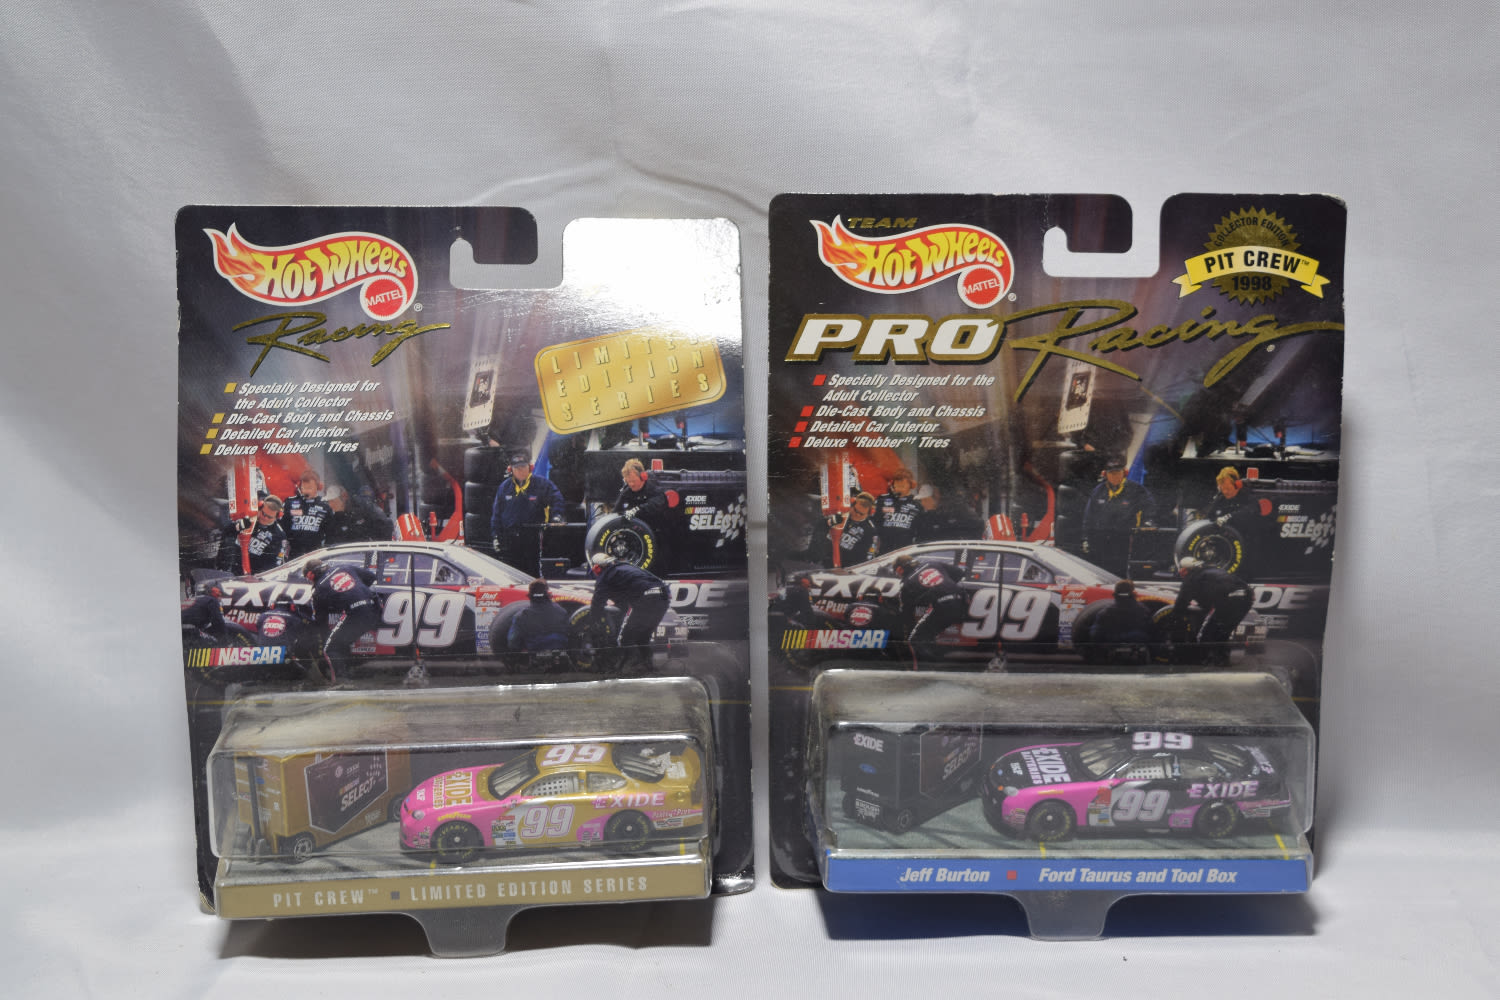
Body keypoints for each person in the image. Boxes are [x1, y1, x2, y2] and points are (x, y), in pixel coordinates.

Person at [304, 557, 383, 683]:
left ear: (311, 575)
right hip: (375, 608)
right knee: (342, 641)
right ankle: (348, 672)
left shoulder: (318, 590)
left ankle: (342, 681)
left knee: (330, 648)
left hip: (357, 614)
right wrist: (358, 592)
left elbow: (321, 622)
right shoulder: (344, 567)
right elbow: (371, 577)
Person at [588, 552, 670, 673]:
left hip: (647, 599)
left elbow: (597, 604)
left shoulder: (605, 575)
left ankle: (630, 668)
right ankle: (648, 668)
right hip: (663, 598)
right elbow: (624, 602)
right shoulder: (626, 567)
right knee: (643, 637)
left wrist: (593, 623)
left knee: (626, 638)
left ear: (597, 568)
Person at [490, 449, 566, 576]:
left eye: (523, 467)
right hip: (510, 538)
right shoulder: (504, 487)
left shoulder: (542, 484)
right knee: (511, 573)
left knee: (532, 572)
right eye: (517, 468)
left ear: (530, 468)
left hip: (532, 537)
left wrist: (557, 515)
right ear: (510, 469)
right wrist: (495, 536)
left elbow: (557, 498)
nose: (520, 470)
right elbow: (496, 514)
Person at [1172, 556, 1254, 665]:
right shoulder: (1211, 570)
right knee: (1222, 631)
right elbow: (1208, 599)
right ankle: (1220, 659)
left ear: (1184, 570)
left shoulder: (1191, 578)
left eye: (1180, 569)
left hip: (1232, 600)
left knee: (1209, 632)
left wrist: (1174, 620)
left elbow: (1180, 604)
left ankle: (1204, 660)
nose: (1180, 572)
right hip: (1246, 598)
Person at [893, 553, 969, 668]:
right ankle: (938, 660)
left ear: (899, 569)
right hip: (962, 601)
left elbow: (907, 614)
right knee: (928, 635)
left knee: (916, 639)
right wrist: (946, 585)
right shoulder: (932, 563)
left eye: (896, 572)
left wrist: (924, 598)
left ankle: (931, 668)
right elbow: (960, 572)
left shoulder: (906, 584)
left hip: (944, 606)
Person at [1081, 455, 1153, 577]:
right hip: (1100, 539)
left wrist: (1147, 521)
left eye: (1118, 473)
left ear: (1124, 473)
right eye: (1111, 473)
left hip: (1123, 538)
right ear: (1105, 474)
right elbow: (1089, 516)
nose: (1115, 476)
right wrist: (1085, 538)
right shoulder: (1098, 491)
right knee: (1099, 572)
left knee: (1119, 572)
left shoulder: (1136, 489)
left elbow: (1149, 506)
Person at [506, 578, 574, 664]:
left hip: (536, 657)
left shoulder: (521, 616)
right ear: (548, 594)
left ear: (530, 595)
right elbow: (570, 633)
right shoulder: (561, 611)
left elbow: (512, 642)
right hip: (560, 655)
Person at [1091, 579, 1155, 662]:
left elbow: (1095, 634)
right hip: (1137, 645)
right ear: (1133, 593)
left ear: (1115, 593)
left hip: (1111, 646)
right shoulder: (1143, 610)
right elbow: (1152, 631)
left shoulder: (1105, 612)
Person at [281, 469, 334, 558]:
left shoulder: (325, 505)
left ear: (318, 487)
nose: (306, 491)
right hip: (293, 553)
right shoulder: (290, 502)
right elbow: (283, 528)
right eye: (304, 487)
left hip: (315, 553)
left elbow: (330, 533)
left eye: (309, 488)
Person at [614, 458, 671, 531]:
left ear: (643, 477)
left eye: (634, 481)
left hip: (658, 529)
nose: (631, 484)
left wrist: (635, 510)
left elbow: (654, 505)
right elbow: (616, 512)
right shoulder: (626, 492)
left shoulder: (654, 488)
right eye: (628, 481)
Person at [874, 467, 923, 553]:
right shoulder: (882, 500)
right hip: (884, 549)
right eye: (897, 486)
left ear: (910, 485)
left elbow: (920, 531)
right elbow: (875, 524)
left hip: (905, 549)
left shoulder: (917, 504)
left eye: (902, 486)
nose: (899, 489)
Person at [325, 484, 394, 544]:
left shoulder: (363, 505)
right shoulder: (335, 517)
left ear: (344, 497)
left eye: (333, 501)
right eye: (329, 501)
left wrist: (379, 547)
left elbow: (385, 523)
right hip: (348, 552)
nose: (330, 505)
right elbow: (330, 541)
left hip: (370, 549)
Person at [239, 495, 287, 574]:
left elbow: (275, 563)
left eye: (269, 517)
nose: (265, 518)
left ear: (277, 517)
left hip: (254, 574)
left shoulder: (279, 535)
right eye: (264, 514)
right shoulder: (247, 520)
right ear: (259, 508)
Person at [833, 492, 880, 567]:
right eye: (855, 510)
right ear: (852, 505)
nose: (857, 515)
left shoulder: (870, 530)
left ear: (869, 513)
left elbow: (867, 557)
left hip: (845, 567)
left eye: (861, 514)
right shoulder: (840, 515)